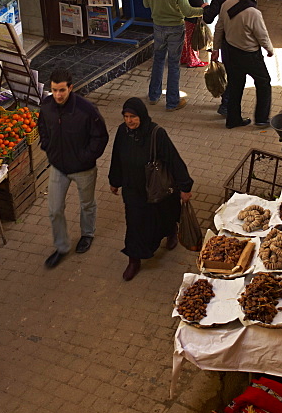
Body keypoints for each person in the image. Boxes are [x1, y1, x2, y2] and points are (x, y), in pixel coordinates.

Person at [108, 97, 193, 282]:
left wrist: (185, 186)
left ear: (142, 116)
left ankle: (171, 232)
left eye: (133, 116)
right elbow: (117, 157)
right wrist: (114, 180)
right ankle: (134, 260)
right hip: (133, 190)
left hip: (157, 189)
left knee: (164, 215)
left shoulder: (156, 134)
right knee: (135, 224)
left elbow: (173, 160)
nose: (129, 121)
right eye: (126, 116)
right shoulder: (123, 132)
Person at [38, 68, 109, 269]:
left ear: (71, 88)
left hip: (83, 169)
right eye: (54, 90)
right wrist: (47, 145)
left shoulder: (87, 110)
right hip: (58, 166)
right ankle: (61, 247)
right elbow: (42, 126)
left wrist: (85, 157)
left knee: (87, 204)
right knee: (54, 209)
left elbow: (100, 137)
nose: (58, 95)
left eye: (62, 90)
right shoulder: (47, 106)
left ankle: (87, 234)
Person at [142, 0, 205, 112]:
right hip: (175, 28)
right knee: (174, 65)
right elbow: (187, 11)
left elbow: (146, 4)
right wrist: (203, 11)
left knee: (158, 60)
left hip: (158, 26)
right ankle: (172, 102)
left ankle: (153, 95)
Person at [212, 0, 273, 129]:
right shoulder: (253, 13)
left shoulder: (227, 3)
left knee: (235, 85)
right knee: (264, 82)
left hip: (230, 53)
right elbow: (262, 36)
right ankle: (261, 118)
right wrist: (269, 49)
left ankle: (233, 120)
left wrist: (215, 49)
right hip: (250, 56)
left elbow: (219, 28)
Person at [204, 0, 241, 117]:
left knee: (229, 71)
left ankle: (226, 104)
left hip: (226, 38)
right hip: (243, 38)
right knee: (238, 72)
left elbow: (209, 18)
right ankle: (233, 103)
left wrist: (206, 8)